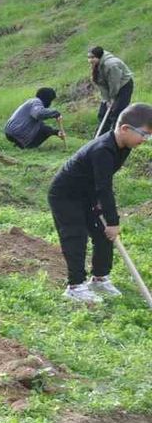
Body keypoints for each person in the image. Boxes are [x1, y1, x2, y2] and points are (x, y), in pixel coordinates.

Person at [47, 103, 151, 303]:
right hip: (65, 195)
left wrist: (101, 210)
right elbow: (104, 187)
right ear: (125, 129)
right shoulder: (103, 149)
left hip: (87, 193)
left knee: (103, 236)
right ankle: (75, 286)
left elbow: (100, 183)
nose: (145, 140)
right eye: (144, 134)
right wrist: (113, 221)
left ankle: (99, 278)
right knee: (75, 235)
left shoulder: (124, 146)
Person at [89, 47, 134, 136]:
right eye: (89, 57)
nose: (90, 60)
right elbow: (101, 84)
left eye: (92, 57)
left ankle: (115, 137)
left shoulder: (111, 64)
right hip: (111, 87)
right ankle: (99, 138)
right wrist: (107, 100)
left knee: (116, 112)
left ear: (99, 56)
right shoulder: (96, 64)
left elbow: (114, 83)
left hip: (123, 86)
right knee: (103, 112)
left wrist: (112, 98)